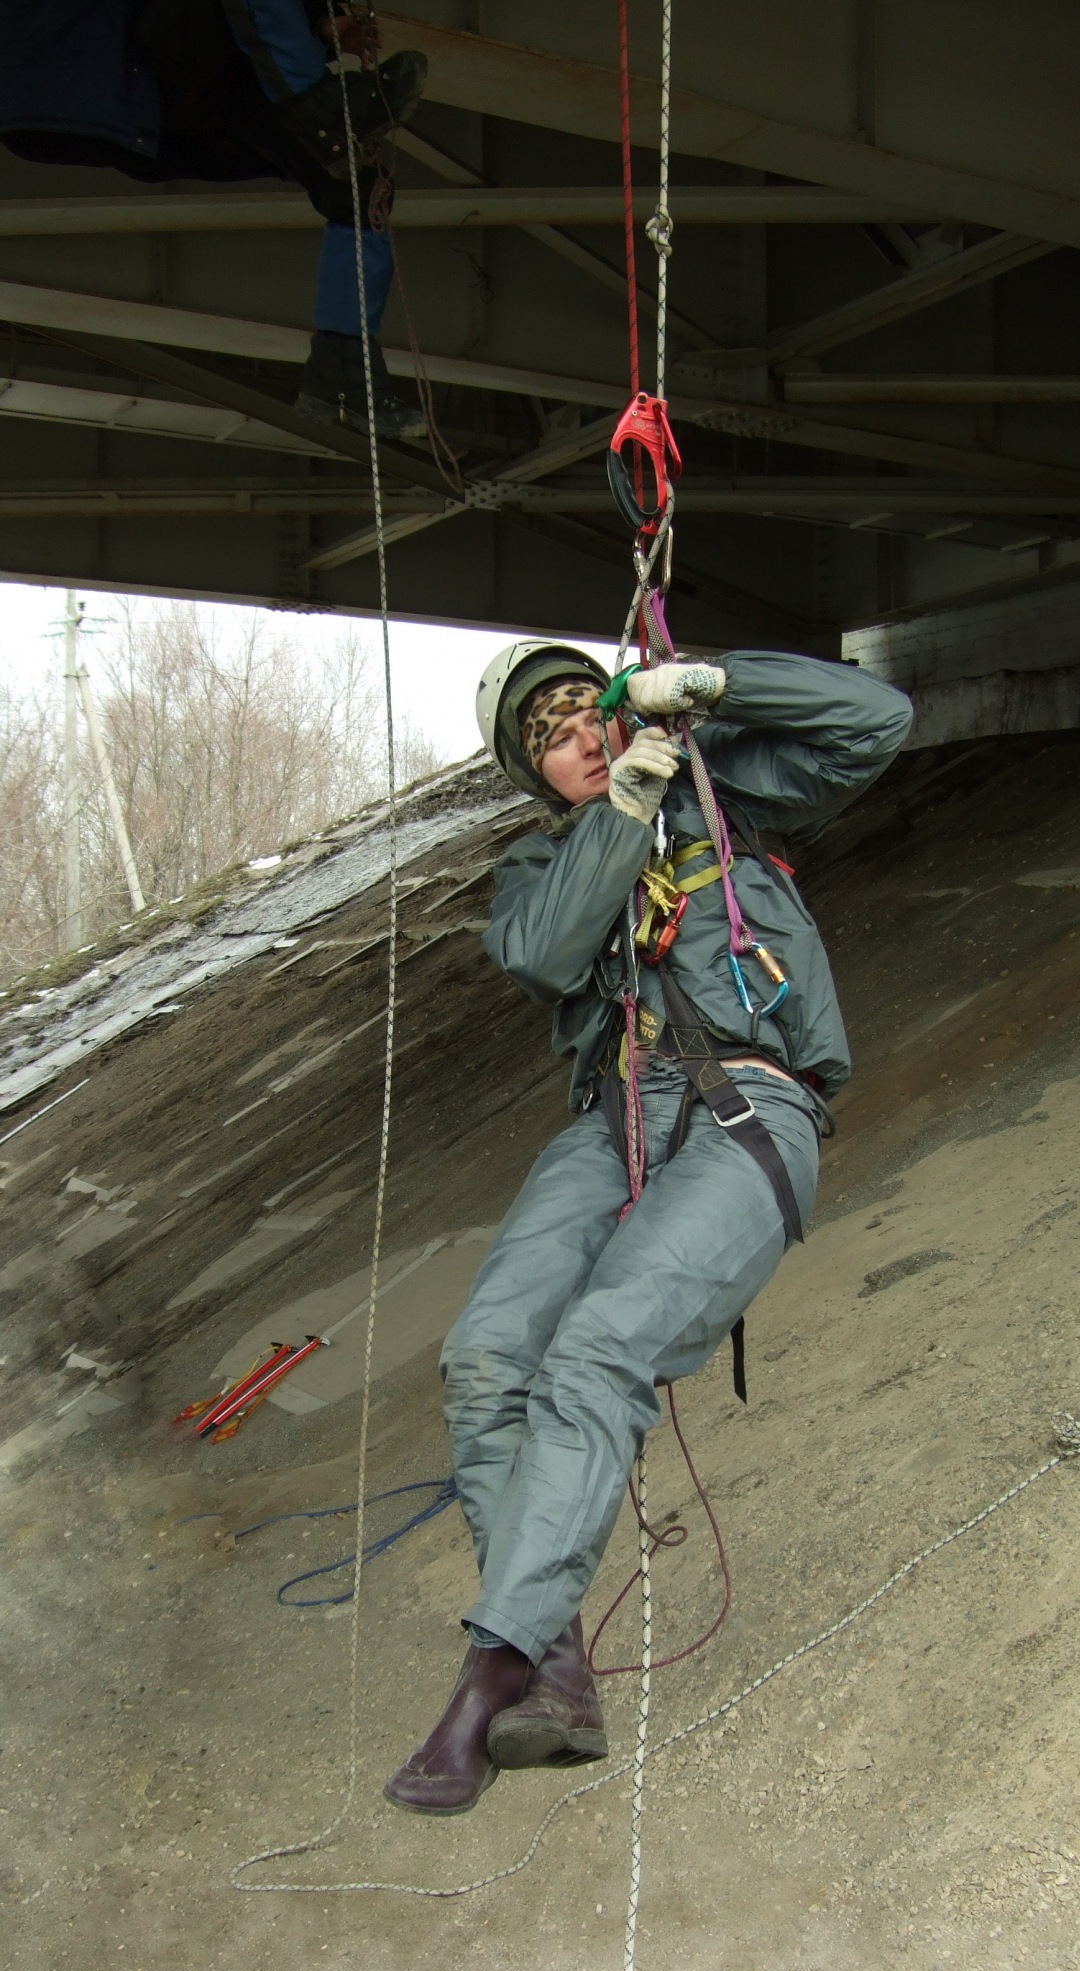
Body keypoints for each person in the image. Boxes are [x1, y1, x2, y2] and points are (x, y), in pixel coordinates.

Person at [383, 640, 913, 1816]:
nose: (580, 736)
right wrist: (621, 807)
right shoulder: (542, 865)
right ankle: (556, 1663)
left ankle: (492, 1676)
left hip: (748, 1105)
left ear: (625, 711)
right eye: (550, 738)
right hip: (617, 1114)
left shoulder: (728, 793)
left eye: (591, 710)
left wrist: (714, 685)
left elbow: (874, 717)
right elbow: (541, 951)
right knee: (486, 1357)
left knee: (599, 1345)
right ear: (538, 776)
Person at [0, 0, 428, 437]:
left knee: (349, 179)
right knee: (321, 134)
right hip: (100, 68)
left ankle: (344, 370)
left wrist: (317, 28)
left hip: (106, 88)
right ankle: (321, 110)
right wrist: (313, 91)